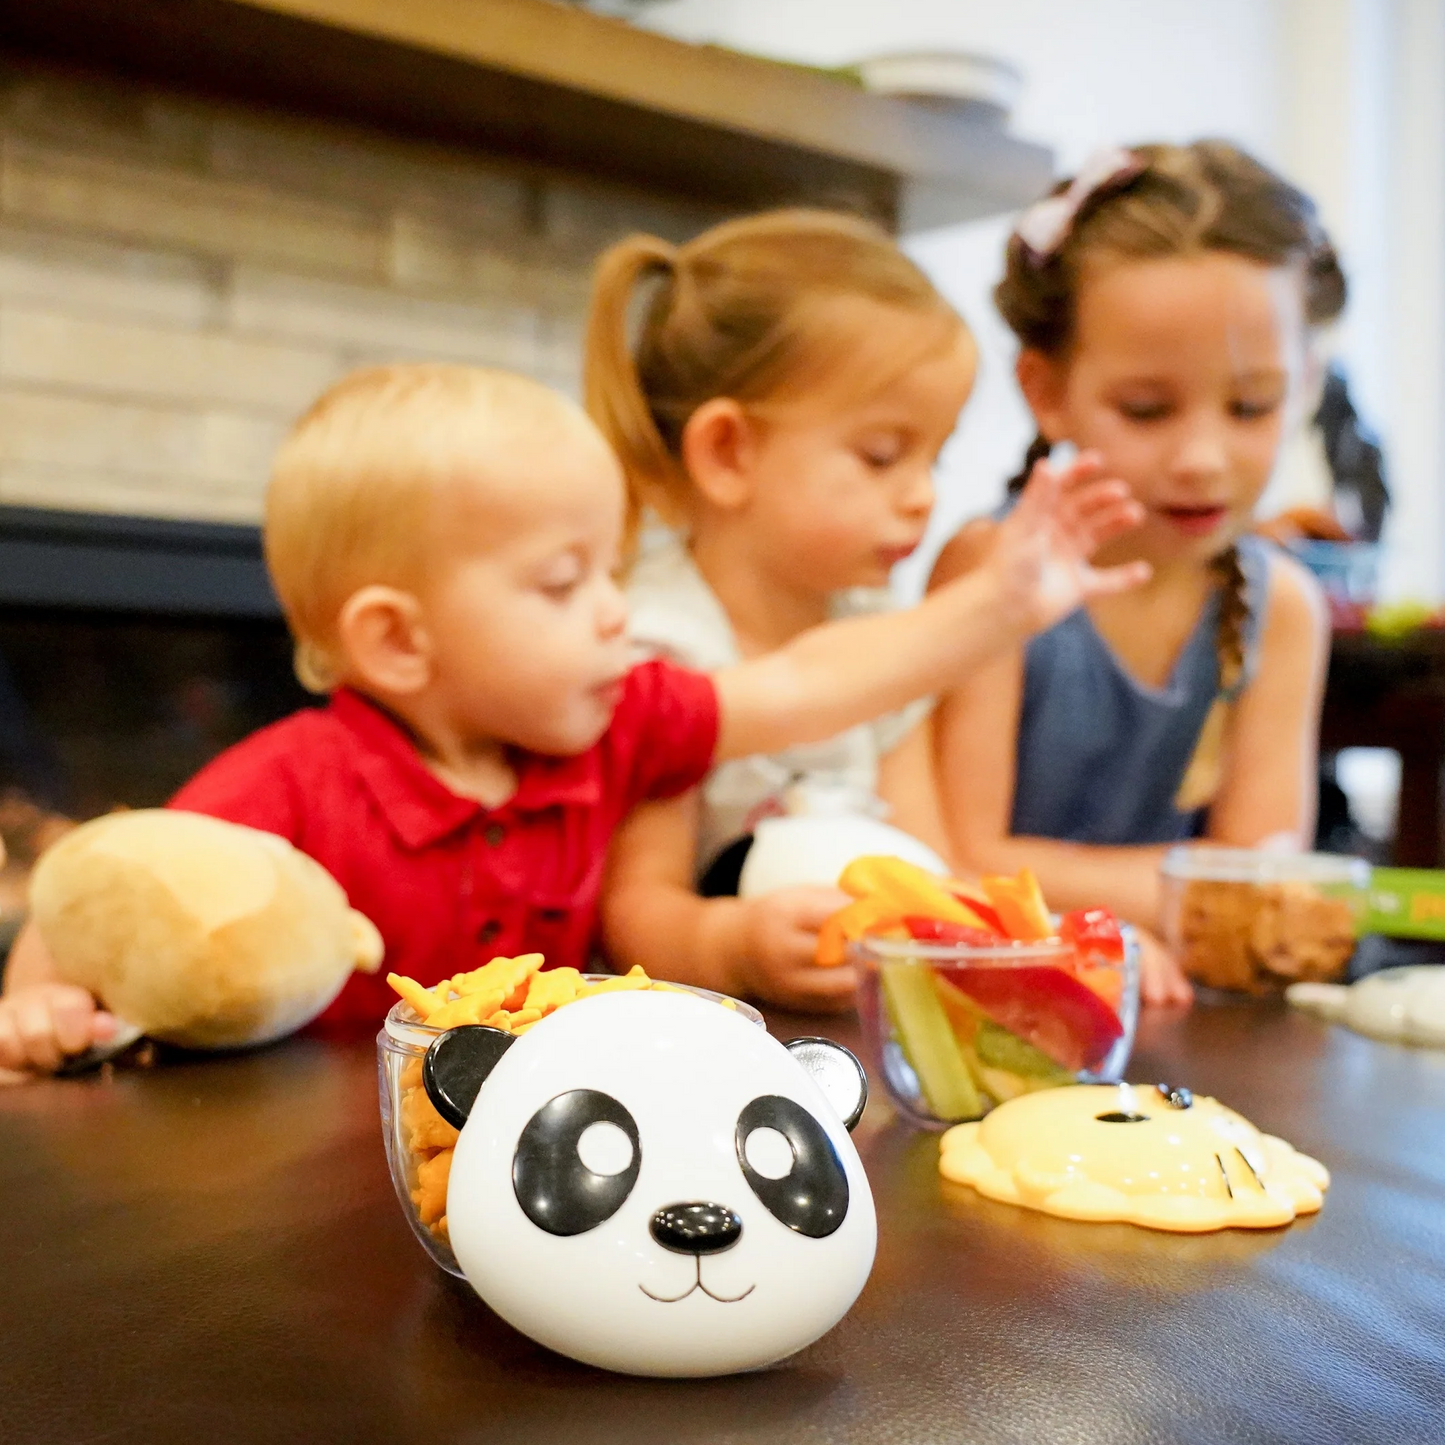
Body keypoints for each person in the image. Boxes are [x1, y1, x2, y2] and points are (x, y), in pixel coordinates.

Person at [0, 361, 1144, 1077]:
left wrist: (998, 601)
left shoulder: (616, 727)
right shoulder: (289, 785)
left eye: (612, 570)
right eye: (562, 584)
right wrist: (37, 1001)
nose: (615, 613)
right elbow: (111, 885)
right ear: (399, 638)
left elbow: (806, 681)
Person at [588, 209, 1131, 1012]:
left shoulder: (882, 631)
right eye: (881, 455)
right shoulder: (657, 646)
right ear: (727, 453)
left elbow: (928, 862)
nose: (923, 496)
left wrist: (1052, 945)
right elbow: (633, 910)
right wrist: (731, 946)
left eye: (933, 456)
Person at [928, 142, 1341, 1007]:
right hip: (994, 1000)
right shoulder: (992, 571)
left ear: (1304, 383)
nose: (1200, 459)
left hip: (1174, 1018)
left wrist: (1214, 895)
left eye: (1250, 405)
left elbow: (1256, 892)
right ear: (1045, 390)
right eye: (1147, 408)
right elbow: (963, 857)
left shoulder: (1285, 608)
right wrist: (1185, 893)